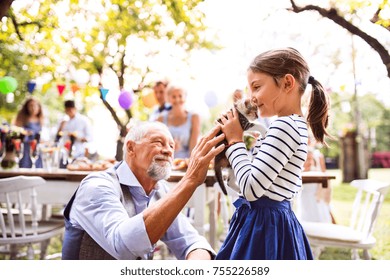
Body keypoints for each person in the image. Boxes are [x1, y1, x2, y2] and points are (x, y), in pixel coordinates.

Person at [215, 47, 330, 260]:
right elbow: (245, 182)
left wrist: (235, 141)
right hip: (265, 221)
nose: (252, 98)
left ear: (287, 83)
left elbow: (251, 189)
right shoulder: (288, 126)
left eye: (257, 87)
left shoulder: (284, 126)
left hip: (264, 228)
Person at [62, 121, 225, 260]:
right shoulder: (97, 186)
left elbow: (192, 242)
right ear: (131, 148)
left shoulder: (160, 191)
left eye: (171, 145)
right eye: (158, 142)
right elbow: (124, 247)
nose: (168, 150)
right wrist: (190, 180)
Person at [295, 136, 335, 223]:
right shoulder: (300, 154)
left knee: (321, 205)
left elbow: (324, 172)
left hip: (317, 193)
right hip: (305, 191)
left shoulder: (317, 156)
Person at [157, 84, 200, 159]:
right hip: (166, 160)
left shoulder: (194, 117)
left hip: (186, 162)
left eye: (180, 96)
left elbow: (193, 149)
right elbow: (158, 146)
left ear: (185, 97)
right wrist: (170, 146)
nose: (177, 100)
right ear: (168, 99)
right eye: (174, 97)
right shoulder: (161, 118)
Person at [13, 97, 44, 168]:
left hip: (36, 146)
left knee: (37, 165)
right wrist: (24, 133)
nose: (33, 108)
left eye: (35, 105)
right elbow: (16, 130)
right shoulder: (23, 118)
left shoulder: (40, 119)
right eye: (31, 105)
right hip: (25, 146)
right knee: (25, 164)